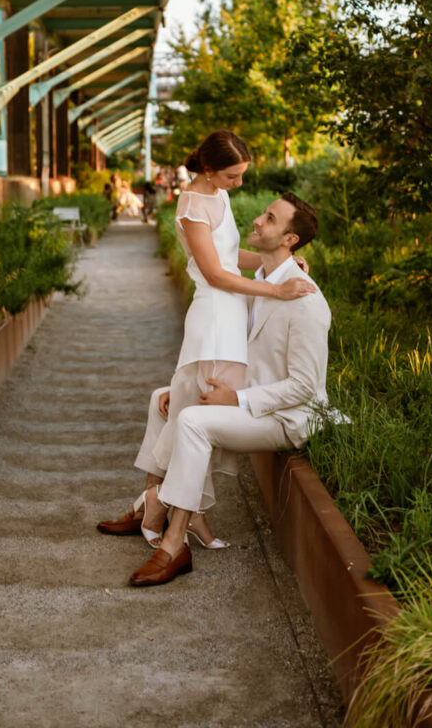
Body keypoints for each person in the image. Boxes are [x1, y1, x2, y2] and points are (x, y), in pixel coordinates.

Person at [97, 130, 315, 549]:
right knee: (204, 411)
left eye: (241, 176)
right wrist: (276, 289)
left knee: (191, 406)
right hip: (216, 316)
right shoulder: (193, 205)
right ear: (210, 170)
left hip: (230, 313)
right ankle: (171, 509)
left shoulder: (220, 196)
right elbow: (215, 274)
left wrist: (281, 264)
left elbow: (230, 257)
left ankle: (164, 507)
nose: (239, 184)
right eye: (233, 176)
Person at [127, 191, 331, 586]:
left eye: (270, 219)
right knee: (165, 398)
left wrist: (235, 398)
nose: (256, 220)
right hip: (255, 402)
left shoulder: (305, 298)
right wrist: (187, 384)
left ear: (291, 240)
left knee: (192, 421)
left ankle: (174, 544)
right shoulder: (254, 283)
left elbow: (306, 387)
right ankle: (149, 507)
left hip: (287, 418)